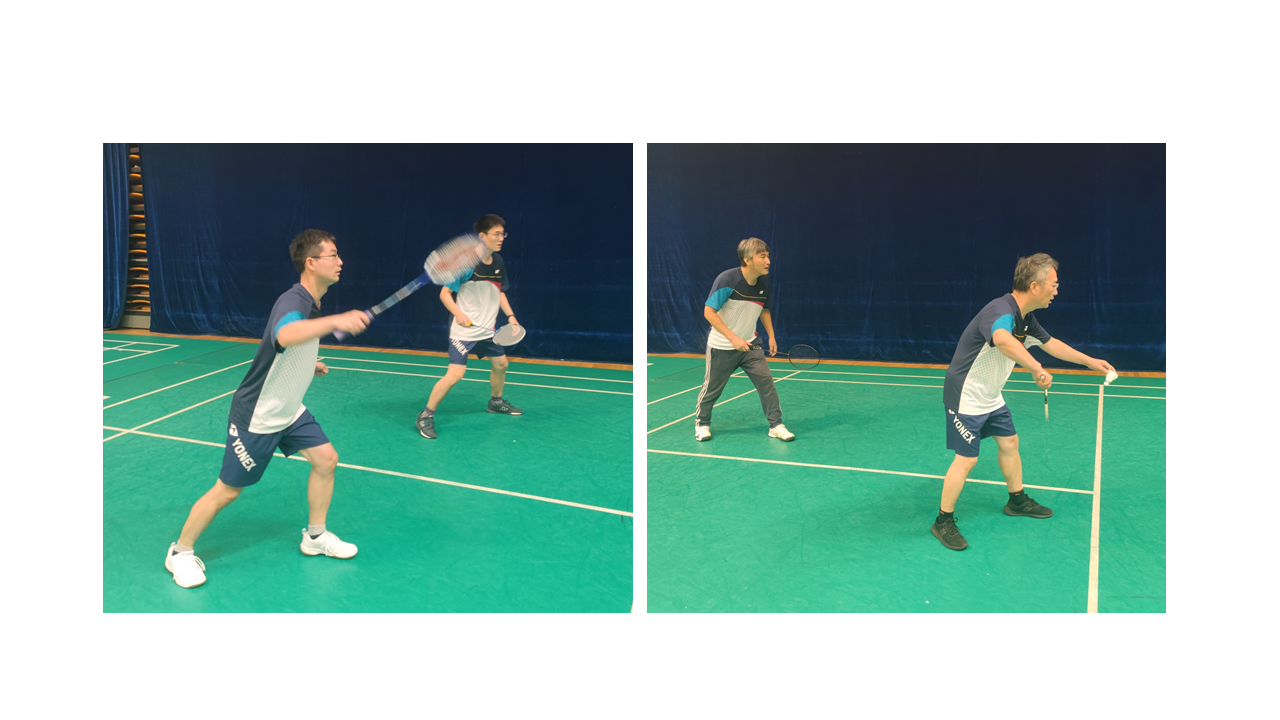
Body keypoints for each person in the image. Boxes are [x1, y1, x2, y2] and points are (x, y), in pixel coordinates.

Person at [165, 229, 372, 588]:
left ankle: (315, 537)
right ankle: (179, 553)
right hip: (258, 415)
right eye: (333, 255)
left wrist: (308, 364)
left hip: (288, 411)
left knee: (326, 460)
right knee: (228, 491)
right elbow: (285, 334)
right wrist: (336, 322)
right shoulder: (295, 299)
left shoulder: (311, 301)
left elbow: (291, 345)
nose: (341, 261)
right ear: (311, 263)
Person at [932, 253, 1116, 551]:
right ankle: (943, 520)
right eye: (1054, 284)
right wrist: (1035, 367)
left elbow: (1051, 344)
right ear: (1034, 286)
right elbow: (1002, 339)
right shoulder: (1001, 310)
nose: (1056, 290)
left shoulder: (1025, 318)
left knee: (1010, 442)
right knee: (967, 459)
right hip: (965, 395)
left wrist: (1090, 361)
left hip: (990, 394)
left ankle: (1016, 500)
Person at [417, 214, 521, 439]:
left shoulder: (498, 262)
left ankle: (495, 402)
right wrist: (458, 313)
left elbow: (499, 292)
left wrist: (511, 316)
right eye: (496, 234)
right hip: (464, 331)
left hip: (487, 330)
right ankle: (425, 415)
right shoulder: (466, 264)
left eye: (503, 234)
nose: (501, 238)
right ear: (482, 236)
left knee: (501, 364)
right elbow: (445, 294)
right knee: (456, 374)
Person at [693, 237, 794, 442]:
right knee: (712, 388)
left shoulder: (763, 282)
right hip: (722, 346)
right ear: (747, 260)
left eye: (768, 256)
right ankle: (702, 423)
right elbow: (709, 312)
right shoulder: (727, 279)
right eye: (762, 257)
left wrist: (771, 336)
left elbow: (764, 310)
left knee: (767, 385)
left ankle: (775, 425)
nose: (768, 261)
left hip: (750, 345)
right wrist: (733, 339)